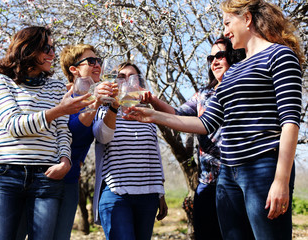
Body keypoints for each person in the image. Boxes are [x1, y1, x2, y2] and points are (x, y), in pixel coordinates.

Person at [124, 0, 304, 239]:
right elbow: (204, 123)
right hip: (228, 175)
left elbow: (290, 121)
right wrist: (153, 115)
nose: (225, 31)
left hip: (263, 168)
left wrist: (281, 180)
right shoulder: (233, 73)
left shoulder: (280, 55)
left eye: (228, 22)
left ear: (247, 19)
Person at [0, 26, 92, 239]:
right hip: (7, 174)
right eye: (45, 48)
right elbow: (13, 125)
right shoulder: (1, 81)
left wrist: (65, 160)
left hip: (46, 175)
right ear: (27, 49)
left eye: (53, 48)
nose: (52, 53)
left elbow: (62, 130)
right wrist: (58, 110)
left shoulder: (55, 87)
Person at [142, 36, 245, 239]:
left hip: (239, 179)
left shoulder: (243, 89)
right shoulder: (204, 94)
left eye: (220, 56)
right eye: (211, 57)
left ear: (233, 56)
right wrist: (152, 100)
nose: (214, 61)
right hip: (207, 181)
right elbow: (177, 114)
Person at [93, 62, 168, 240]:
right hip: (117, 195)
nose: (126, 81)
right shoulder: (103, 110)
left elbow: (154, 155)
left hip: (147, 196)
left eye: (131, 77)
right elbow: (103, 136)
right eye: (121, 77)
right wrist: (114, 106)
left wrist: (160, 192)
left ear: (138, 84)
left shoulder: (147, 114)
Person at [52, 44, 118, 240]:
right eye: (91, 61)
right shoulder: (61, 97)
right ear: (74, 69)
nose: (98, 65)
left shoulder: (96, 100)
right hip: (46, 177)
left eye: (98, 61)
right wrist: (95, 102)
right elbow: (72, 130)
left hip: (71, 180)